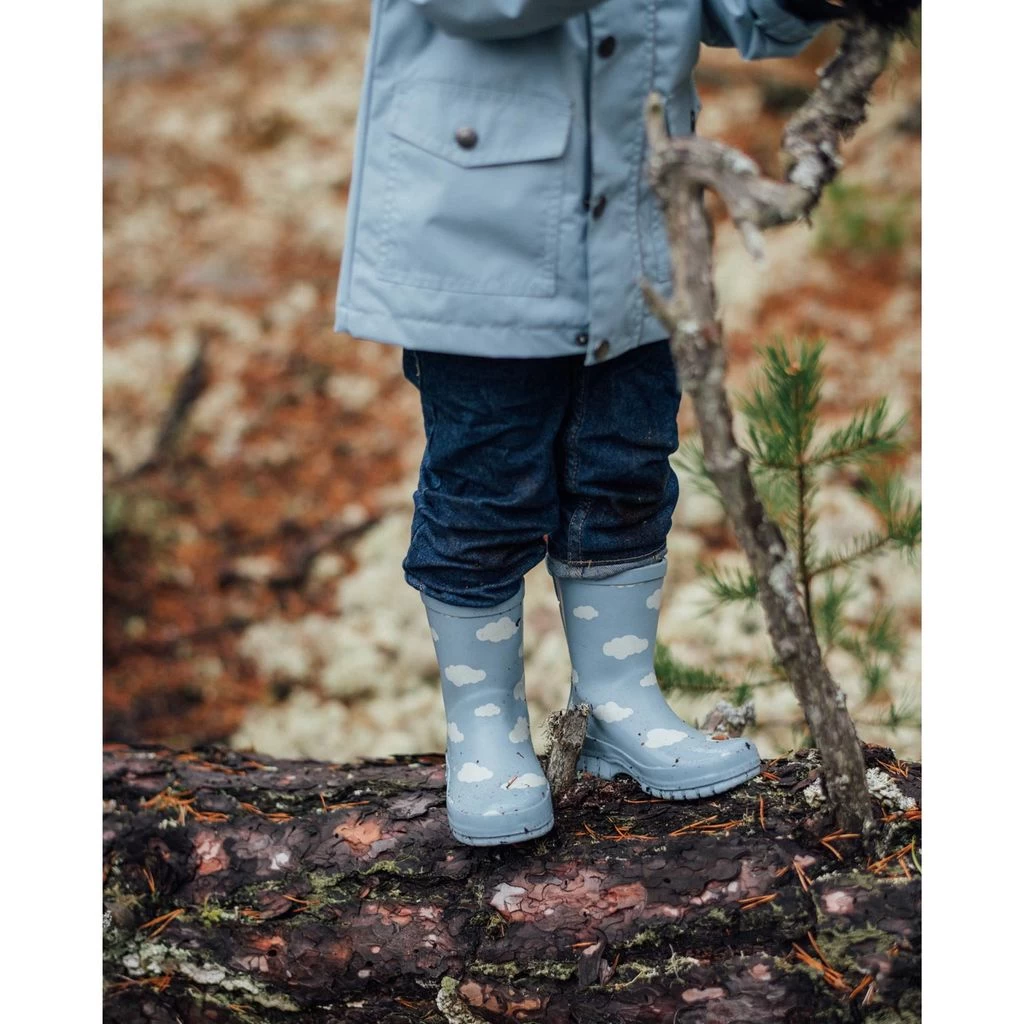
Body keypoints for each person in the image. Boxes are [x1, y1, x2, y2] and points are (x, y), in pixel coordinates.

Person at [335, 0, 845, 846]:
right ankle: (483, 728)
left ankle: (618, 700)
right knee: (486, 486)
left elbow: (740, 14)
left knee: (627, 463)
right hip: (480, 228)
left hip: (637, 223)